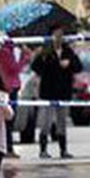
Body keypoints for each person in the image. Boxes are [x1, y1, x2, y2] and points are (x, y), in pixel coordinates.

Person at [31, 26, 82, 159]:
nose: (59, 37)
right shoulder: (46, 51)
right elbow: (36, 67)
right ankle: (43, 150)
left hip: (63, 91)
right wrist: (43, 59)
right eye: (56, 34)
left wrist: (69, 63)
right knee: (46, 122)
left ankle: (63, 150)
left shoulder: (68, 51)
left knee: (62, 122)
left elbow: (78, 67)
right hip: (48, 91)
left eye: (61, 34)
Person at [0, 39, 31, 158]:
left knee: (10, 120)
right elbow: (14, 68)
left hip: (13, 87)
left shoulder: (10, 51)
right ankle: (7, 148)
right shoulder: (5, 52)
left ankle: (8, 147)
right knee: (8, 120)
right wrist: (24, 57)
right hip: (8, 88)